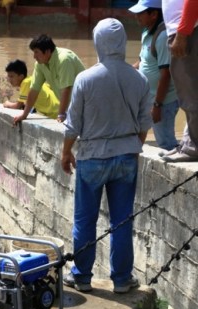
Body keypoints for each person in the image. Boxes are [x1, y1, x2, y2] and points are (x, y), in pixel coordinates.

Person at [60, 18, 152, 294]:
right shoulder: (140, 79)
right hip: (126, 156)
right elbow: (144, 123)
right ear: (123, 43)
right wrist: (133, 148)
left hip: (92, 157)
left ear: (98, 42)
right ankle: (122, 279)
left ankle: (82, 276)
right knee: (122, 220)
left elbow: (73, 124)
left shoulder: (85, 79)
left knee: (85, 220)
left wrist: (66, 152)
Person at [129, 0, 179, 151]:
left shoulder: (163, 36)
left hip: (163, 101)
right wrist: (125, 71)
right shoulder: (146, 32)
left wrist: (157, 105)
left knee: (165, 143)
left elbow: (166, 75)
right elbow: (142, 60)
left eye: (140, 14)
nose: (136, 17)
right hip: (149, 97)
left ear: (154, 14)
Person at [13, 34, 85, 125]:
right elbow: (34, 89)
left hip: (87, 105)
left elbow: (66, 89)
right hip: (72, 108)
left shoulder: (64, 59)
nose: (34, 56)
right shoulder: (40, 64)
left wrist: (61, 114)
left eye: (36, 52)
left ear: (47, 51)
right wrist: (24, 114)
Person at [160, 0, 198, 162]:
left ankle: (193, 149)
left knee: (190, 95)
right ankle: (188, 143)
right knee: (187, 93)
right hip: (185, 30)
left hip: (187, 32)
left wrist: (182, 33)